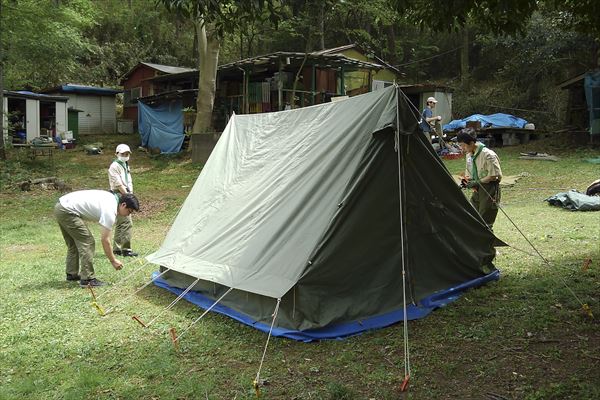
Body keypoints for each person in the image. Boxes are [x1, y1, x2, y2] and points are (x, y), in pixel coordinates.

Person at [54, 190, 140, 287]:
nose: (128, 215)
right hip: (67, 210)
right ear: (123, 205)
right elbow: (105, 240)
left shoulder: (112, 198)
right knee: (87, 241)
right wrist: (113, 260)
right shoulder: (110, 210)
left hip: (61, 206)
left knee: (74, 242)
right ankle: (88, 279)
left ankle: (72, 274)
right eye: (129, 211)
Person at [456, 130, 503, 230]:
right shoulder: (469, 155)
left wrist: (478, 182)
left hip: (489, 188)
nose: (462, 148)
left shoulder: (488, 155)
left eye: (463, 145)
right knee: (473, 215)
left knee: (485, 218)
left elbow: (494, 175)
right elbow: (469, 173)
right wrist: (466, 182)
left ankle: (487, 243)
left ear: (472, 143)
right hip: (477, 189)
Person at [108, 144, 138, 257]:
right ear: (116, 154)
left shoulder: (125, 164)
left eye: (127, 154)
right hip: (120, 195)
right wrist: (128, 197)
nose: (125, 156)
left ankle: (117, 249)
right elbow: (119, 184)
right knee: (126, 222)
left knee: (122, 223)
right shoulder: (114, 166)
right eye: (123, 154)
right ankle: (126, 249)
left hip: (125, 194)